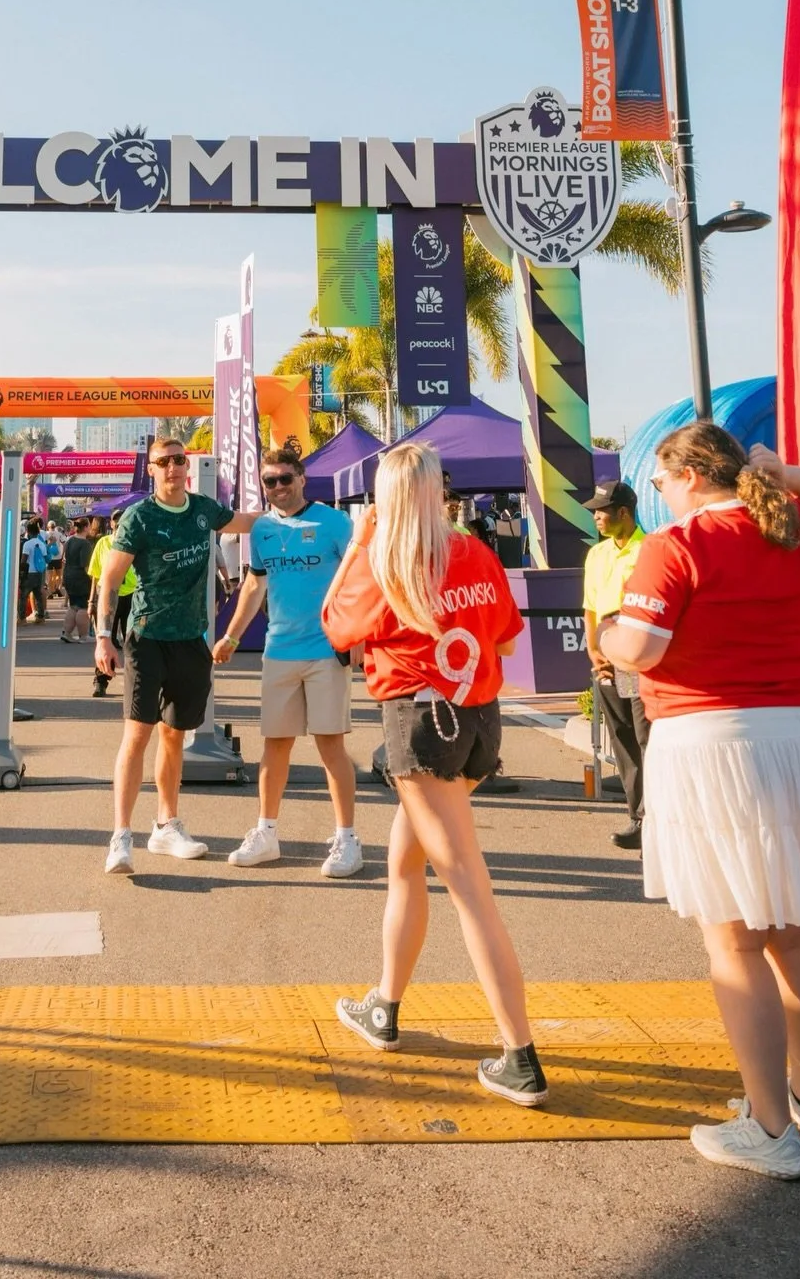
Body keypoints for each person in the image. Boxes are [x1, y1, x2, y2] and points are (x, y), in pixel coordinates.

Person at [602, 425, 800, 1179]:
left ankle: (768, 1130)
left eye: (661, 482)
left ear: (689, 475)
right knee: (797, 937)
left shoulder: (675, 545)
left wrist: (605, 631)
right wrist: (781, 471)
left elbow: (642, 650)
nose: (657, 496)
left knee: (734, 942)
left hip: (712, 738)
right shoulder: (797, 521)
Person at [322, 442, 548, 1107]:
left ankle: (521, 1056)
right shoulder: (474, 551)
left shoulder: (383, 561)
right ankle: (384, 1006)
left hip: (420, 726)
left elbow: (335, 626)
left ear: (385, 499)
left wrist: (356, 543)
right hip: (478, 721)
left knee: (470, 890)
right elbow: (507, 640)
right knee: (402, 864)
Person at [95, 440, 262, 872]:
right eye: (164, 462)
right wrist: (102, 636)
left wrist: (295, 512)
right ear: (151, 470)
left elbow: (246, 522)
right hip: (147, 639)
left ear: (187, 466)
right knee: (137, 735)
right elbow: (110, 581)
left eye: (178, 460)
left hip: (192, 641)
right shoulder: (140, 517)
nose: (173, 468)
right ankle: (121, 837)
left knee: (174, 735)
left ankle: (166, 826)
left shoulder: (203, 509)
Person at [213, 445, 362, 877]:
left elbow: (357, 581)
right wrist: (231, 635)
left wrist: (358, 636)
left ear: (302, 479)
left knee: (330, 744)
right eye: (269, 481)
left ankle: (347, 839)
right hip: (279, 651)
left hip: (326, 651)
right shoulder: (260, 530)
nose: (277, 487)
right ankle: (266, 833)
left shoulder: (335, 522)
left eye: (284, 478)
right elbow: (254, 586)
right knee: (274, 747)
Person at [582, 480, 649, 850]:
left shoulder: (650, 550)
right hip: (608, 662)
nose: (596, 517)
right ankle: (638, 817)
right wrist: (594, 651)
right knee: (624, 741)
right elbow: (590, 607)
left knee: (647, 739)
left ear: (624, 512)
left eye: (602, 510)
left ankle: (658, 819)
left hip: (639, 661)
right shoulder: (597, 555)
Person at [88, 508, 137, 698]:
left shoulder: (135, 542)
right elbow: (95, 574)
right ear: (111, 524)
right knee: (104, 640)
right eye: (115, 521)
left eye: (122, 520)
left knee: (134, 642)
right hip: (108, 596)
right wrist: (92, 600)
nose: (118, 524)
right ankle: (101, 681)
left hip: (132, 595)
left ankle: (135, 684)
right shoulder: (103, 543)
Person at [60, 515, 96, 644]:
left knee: (73, 605)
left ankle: (67, 633)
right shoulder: (85, 544)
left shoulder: (69, 540)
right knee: (83, 607)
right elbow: (85, 565)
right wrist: (93, 579)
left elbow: (64, 557)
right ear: (86, 527)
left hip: (69, 574)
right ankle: (83, 636)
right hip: (80, 577)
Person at [23, 518, 51, 624]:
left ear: (28, 531)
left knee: (24, 594)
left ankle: (24, 617)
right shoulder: (42, 540)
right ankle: (41, 615)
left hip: (29, 572)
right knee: (39, 592)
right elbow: (46, 557)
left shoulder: (27, 543)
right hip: (40, 570)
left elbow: (24, 559)